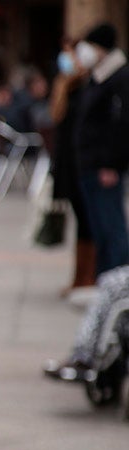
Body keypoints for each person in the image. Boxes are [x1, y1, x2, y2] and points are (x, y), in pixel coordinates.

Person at [72, 22, 129, 277]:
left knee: (111, 228)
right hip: (89, 163)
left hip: (103, 166)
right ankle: (105, 284)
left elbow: (120, 125)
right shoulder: (99, 76)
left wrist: (111, 163)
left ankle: (118, 285)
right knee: (99, 230)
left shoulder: (119, 77)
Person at [50, 37, 95, 297]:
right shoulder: (67, 86)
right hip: (68, 161)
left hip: (83, 163)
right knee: (80, 218)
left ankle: (89, 276)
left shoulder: (90, 86)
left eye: (71, 54)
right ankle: (80, 277)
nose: (66, 60)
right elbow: (56, 115)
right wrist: (62, 86)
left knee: (89, 220)